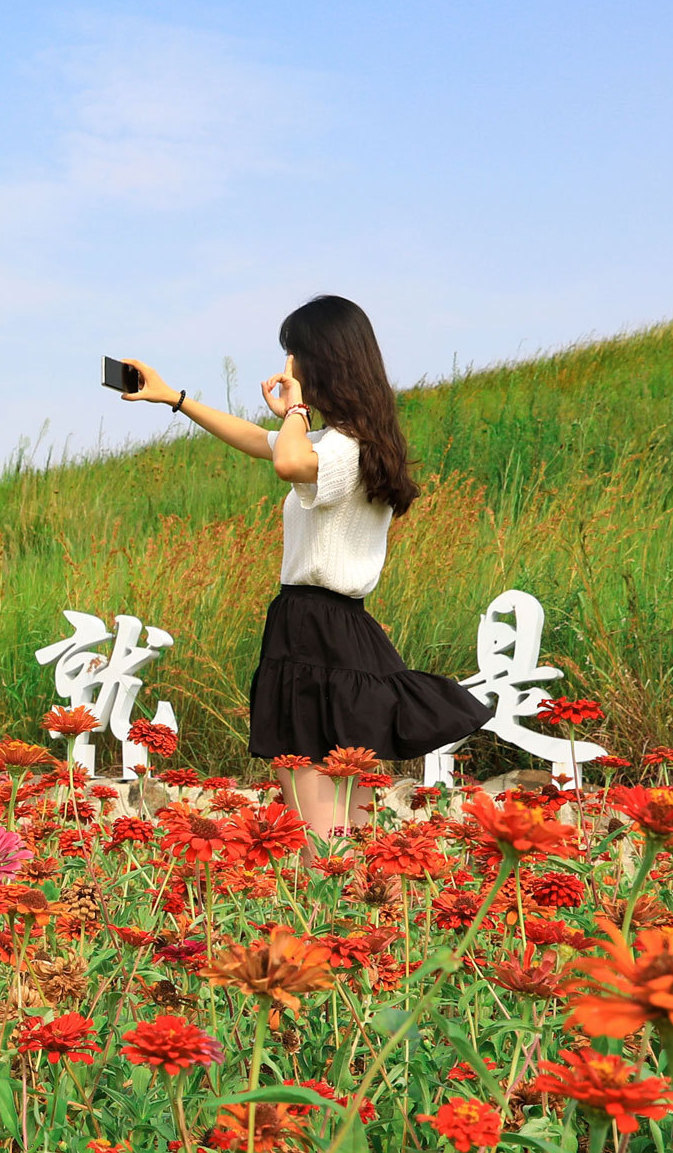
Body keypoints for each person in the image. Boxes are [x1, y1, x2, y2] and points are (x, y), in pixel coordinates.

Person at [112, 295, 487, 837]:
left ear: (321, 363)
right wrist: (175, 397)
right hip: (346, 631)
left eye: (295, 357)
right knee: (348, 826)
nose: (289, 369)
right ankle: (353, 914)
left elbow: (287, 459)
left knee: (318, 827)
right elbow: (261, 443)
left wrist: (294, 409)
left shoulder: (342, 446)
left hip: (313, 631)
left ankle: (322, 916)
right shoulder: (358, 441)